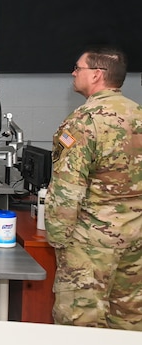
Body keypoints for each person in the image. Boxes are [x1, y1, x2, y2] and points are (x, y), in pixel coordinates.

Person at [44, 46, 142, 330]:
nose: (73, 73)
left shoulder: (84, 121)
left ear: (97, 75)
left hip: (91, 244)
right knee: (130, 322)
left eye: (78, 68)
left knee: (80, 325)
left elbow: (67, 188)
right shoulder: (138, 114)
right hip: (136, 239)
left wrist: (58, 239)